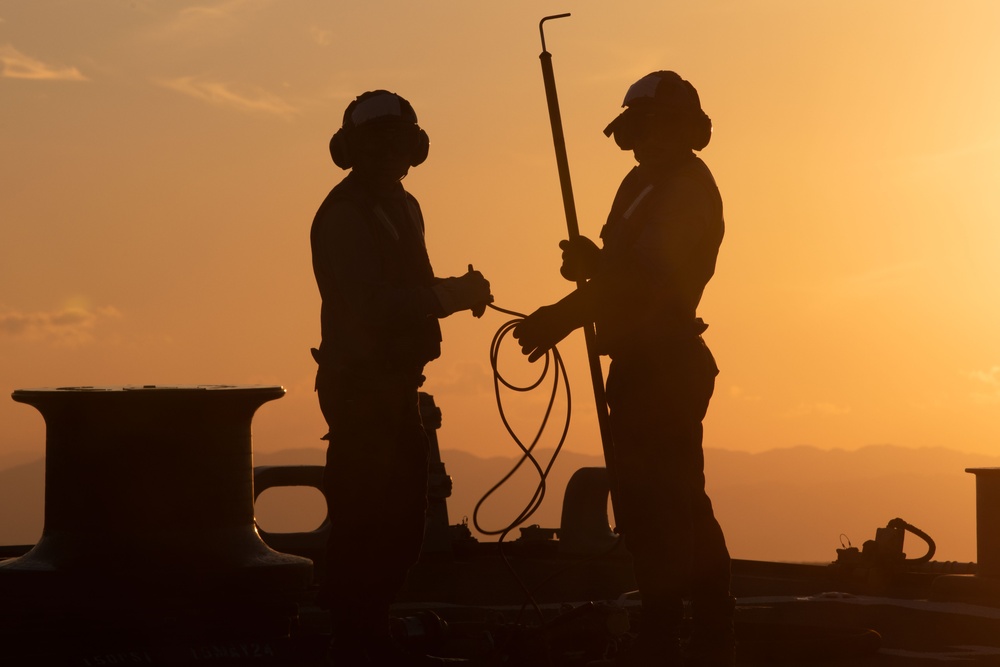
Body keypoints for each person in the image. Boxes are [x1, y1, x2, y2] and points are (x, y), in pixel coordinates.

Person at [513, 71, 734, 667]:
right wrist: (591, 264)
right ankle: (689, 630)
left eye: (662, 127)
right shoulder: (638, 182)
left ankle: (686, 633)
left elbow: (647, 282)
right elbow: (620, 270)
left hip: (667, 365)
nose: (648, 139)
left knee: (669, 505)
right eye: (642, 129)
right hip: (639, 363)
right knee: (655, 503)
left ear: (687, 132)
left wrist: (562, 314)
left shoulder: (688, 190)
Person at [310, 89, 491, 666]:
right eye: (380, 145)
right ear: (357, 152)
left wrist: (450, 294)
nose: (392, 156)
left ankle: (371, 633)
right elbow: (373, 304)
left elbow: (415, 287)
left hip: (396, 387)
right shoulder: (342, 216)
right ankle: (355, 640)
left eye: (400, 144)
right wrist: (451, 297)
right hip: (360, 390)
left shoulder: (405, 207)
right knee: (366, 522)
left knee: (403, 520)